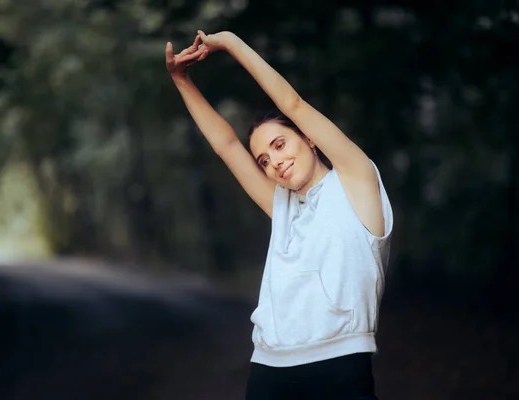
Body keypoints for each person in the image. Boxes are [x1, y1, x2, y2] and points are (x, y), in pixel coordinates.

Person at [165, 31, 393, 400]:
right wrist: (181, 80)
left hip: (340, 362)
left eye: (279, 144)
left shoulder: (356, 180)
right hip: (270, 367)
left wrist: (231, 44)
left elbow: (294, 104)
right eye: (264, 161)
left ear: (309, 138)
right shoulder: (283, 206)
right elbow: (226, 146)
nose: (275, 163)